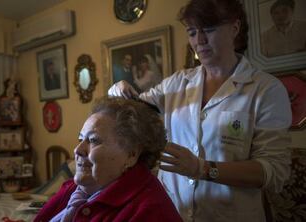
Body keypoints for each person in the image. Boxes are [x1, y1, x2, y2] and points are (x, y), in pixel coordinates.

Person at [108, 0, 292, 221]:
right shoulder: (177, 83)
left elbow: (273, 171)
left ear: (235, 28)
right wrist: (118, 91)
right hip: (170, 212)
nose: (199, 41)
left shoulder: (266, 89)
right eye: (192, 32)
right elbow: (133, 109)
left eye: (209, 30)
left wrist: (202, 169)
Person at [34, 97, 182, 222]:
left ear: (131, 155)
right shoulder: (74, 189)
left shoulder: (151, 212)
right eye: (80, 138)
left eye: (93, 140)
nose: (77, 149)